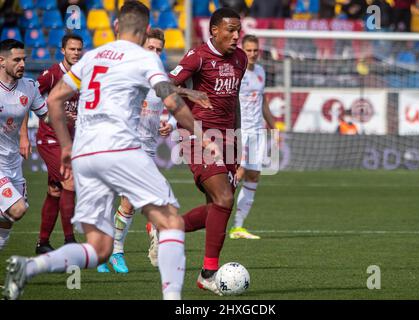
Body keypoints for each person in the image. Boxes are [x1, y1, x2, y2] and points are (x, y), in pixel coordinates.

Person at [2, 1, 212, 301]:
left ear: (116, 26)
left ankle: (28, 267)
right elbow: (171, 100)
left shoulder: (91, 58)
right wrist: (202, 135)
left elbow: (54, 100)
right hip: (119, 147)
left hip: (85, 156)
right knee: (172, 222)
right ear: (143, 31)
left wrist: (66, 146)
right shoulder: (144, 58)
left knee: (98, 248)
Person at [169, 7, 247, 295]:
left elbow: (235, 99)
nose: (236, 36)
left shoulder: (241, 58)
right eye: (231, 30)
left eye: (239, 30)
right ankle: (208, 273)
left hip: (227, 139)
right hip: (198, 136)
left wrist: (237, 140)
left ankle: (168, 227)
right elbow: (163, 85)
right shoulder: (197, 56)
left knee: (218, 207)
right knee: (225, 198)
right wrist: (192, 94)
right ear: (214, 30)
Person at [96, 28, 177, 273]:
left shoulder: (161, 79)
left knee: (131, 203)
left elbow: (175, 107)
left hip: (149, 149)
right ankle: (115, 251)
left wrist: (169, 124)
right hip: (123, 146)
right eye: (150, 48)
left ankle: (111, 252)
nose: (154, 53)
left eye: (158, 50)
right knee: (126, 200)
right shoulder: (125, 75)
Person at [32, 34, 83, 254]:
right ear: (62, 50)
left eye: (79, 49)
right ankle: (70, 241)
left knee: (55, 190)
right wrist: (24, 134)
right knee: (69, 183)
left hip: (69, 140)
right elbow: (29, 95)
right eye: (71, 49)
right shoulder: (52, 75)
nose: (76, 53)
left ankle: (42, 242)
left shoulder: (83, 75)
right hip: (50, 138)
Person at [0, 39, 48, 251]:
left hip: (13, 162)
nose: (22, 64)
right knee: (17, 209)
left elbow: (46, 115)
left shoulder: (29, 87)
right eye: (16, 60)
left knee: (10, 219)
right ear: (1, 61)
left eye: (24, 59)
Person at [229, 35, 277, 240]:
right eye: (248, 50)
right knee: (237, 173)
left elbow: (263, 101)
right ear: (242, 50)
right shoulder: (236, 72)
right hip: (241, 130)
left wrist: (274, 127)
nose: (252, 54)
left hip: (257, 131)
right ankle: (216, 216)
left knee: (254, 176)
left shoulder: (260, 72)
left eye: (255, 50)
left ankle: (238, 227)